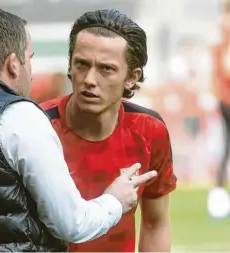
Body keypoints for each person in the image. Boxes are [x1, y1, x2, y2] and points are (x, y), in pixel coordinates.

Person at [0, 8, 157, 252]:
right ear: (14, 64)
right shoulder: (18, 116)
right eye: (30, 58)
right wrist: (115, 200)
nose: (31, 73)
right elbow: (72, 223)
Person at [41, 9, 177, 252]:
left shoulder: (150, 131)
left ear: (131, 78)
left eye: (106, 69)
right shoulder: (36, 126)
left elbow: (155, 224)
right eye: (81, 64)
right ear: (70, 66)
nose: (89, 79)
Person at [208, 0, 230, 219]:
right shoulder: (227, 28)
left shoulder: (219, 29)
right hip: (228, 96)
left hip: (222, 96)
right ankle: (219, 198)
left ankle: (218, 196)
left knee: (226, 147)